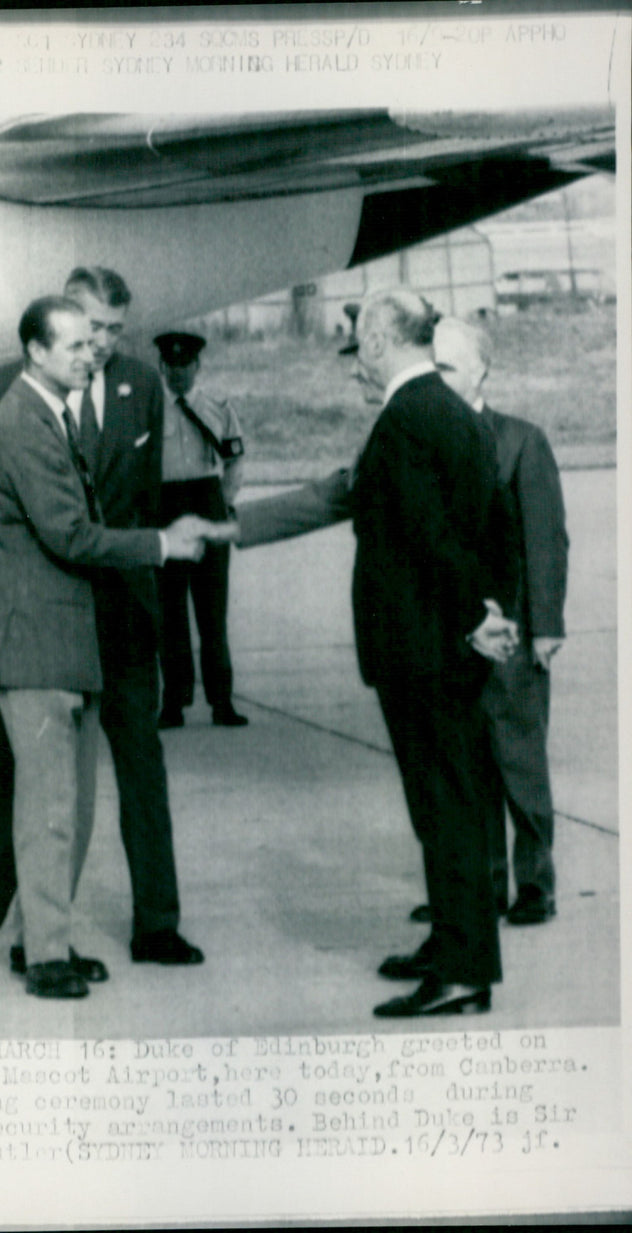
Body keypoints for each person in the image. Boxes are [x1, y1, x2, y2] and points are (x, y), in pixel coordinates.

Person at [234, 288, 519, 1018]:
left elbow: (430, 536)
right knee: (445, 805)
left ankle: (461, 971)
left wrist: (471, 616)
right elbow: (477, 529)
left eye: (362, 335)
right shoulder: (453, 413)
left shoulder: (405, 420)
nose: (356, 349)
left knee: (447, 807)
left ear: (387, 339)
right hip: (440, 646)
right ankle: (454, 942)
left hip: (424, 648)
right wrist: (485, 610)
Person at [0, 271, 211, 977]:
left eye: (114, 331)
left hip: (121, 612)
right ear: (56, 327)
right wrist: (29, 580)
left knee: (134, 770)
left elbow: (145, 496)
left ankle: (155, 923)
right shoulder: (5, 392)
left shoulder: (141, 385)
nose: (101, 344)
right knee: (15, 773)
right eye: (89, 328)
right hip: (43, 619)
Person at [433, 315, 568, 926]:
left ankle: (535, 883)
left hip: (512, 635)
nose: (436, 380)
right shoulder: (424, 436)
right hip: (450, 637)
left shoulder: (520, 440)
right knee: (466, 768)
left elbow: (546, 539)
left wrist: (547, 627)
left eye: (447, 368)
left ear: (481, 370)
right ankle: (482, 886)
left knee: (519, 760)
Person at [154, 331, 248, 729]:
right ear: (162, 367)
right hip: (166, 507)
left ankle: (221, 702)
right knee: (170, 611)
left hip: (207, 501)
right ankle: (173, 702)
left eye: (185, 365)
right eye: (171, 366)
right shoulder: (149, 410)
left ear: (198, 366)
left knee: (213, 612)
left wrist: (221, 506)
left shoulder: (218, 407)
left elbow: (235, 463)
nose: (178, 373)